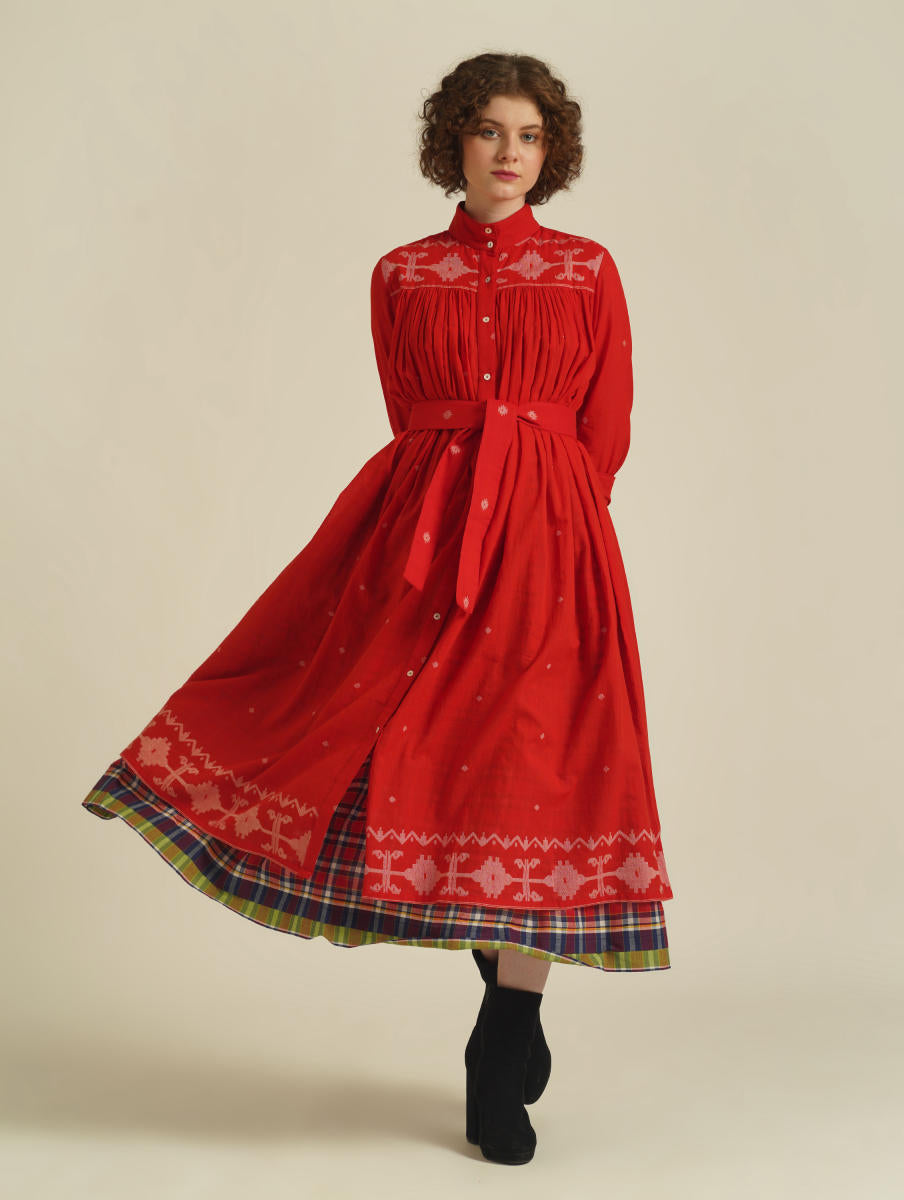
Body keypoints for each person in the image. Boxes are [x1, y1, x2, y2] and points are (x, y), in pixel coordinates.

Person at [82, 51, 673, 1166]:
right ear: (455, 141)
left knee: (536, 778)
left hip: (552, 540)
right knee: (385, 730)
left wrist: (553, 517)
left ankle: (504, 1035)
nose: (509, 153)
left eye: (530, 136)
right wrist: (460, 496)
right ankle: (504, 988)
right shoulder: (401, 273)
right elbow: (410, 410)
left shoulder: (587, 268)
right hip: (422, 530)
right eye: (489, 131)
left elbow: (607, 427)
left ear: (551, 153)